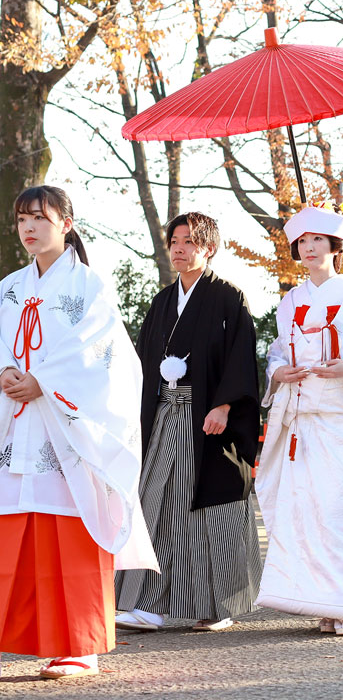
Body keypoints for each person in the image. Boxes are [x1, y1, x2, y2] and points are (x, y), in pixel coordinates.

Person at [0, 186, 157, 679]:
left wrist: (42, 380)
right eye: (22, 219)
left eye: (40, 218)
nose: (29, 228)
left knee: (69, 532)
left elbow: (102, 357)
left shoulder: (90, 286)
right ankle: (23, 637)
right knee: (14, 532)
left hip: (67, 431)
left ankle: (78, 644)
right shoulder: (9, 287)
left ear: (66, 223)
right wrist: (7, 373)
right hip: (16, 424)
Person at [255, 205, 343, 635]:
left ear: (335, 247)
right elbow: (278, 352)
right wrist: (279, 372)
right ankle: (320, 600)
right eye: (302, 242)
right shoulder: (291, 300)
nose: (309, 248)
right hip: (303, 420)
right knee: (307, 513)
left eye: (317, 240)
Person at [115, 212, 262, 632]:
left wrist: (225, 406)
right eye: (174, 241)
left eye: (189, 241)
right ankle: (148, 602)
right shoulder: (163, 301)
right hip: (164, 412)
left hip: (209, 419)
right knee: (153, 499)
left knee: (212, 510)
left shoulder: (228, 297)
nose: (179, 248)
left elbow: (240, 357)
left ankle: (217, 604)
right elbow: (142, 360)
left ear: (208, 248)